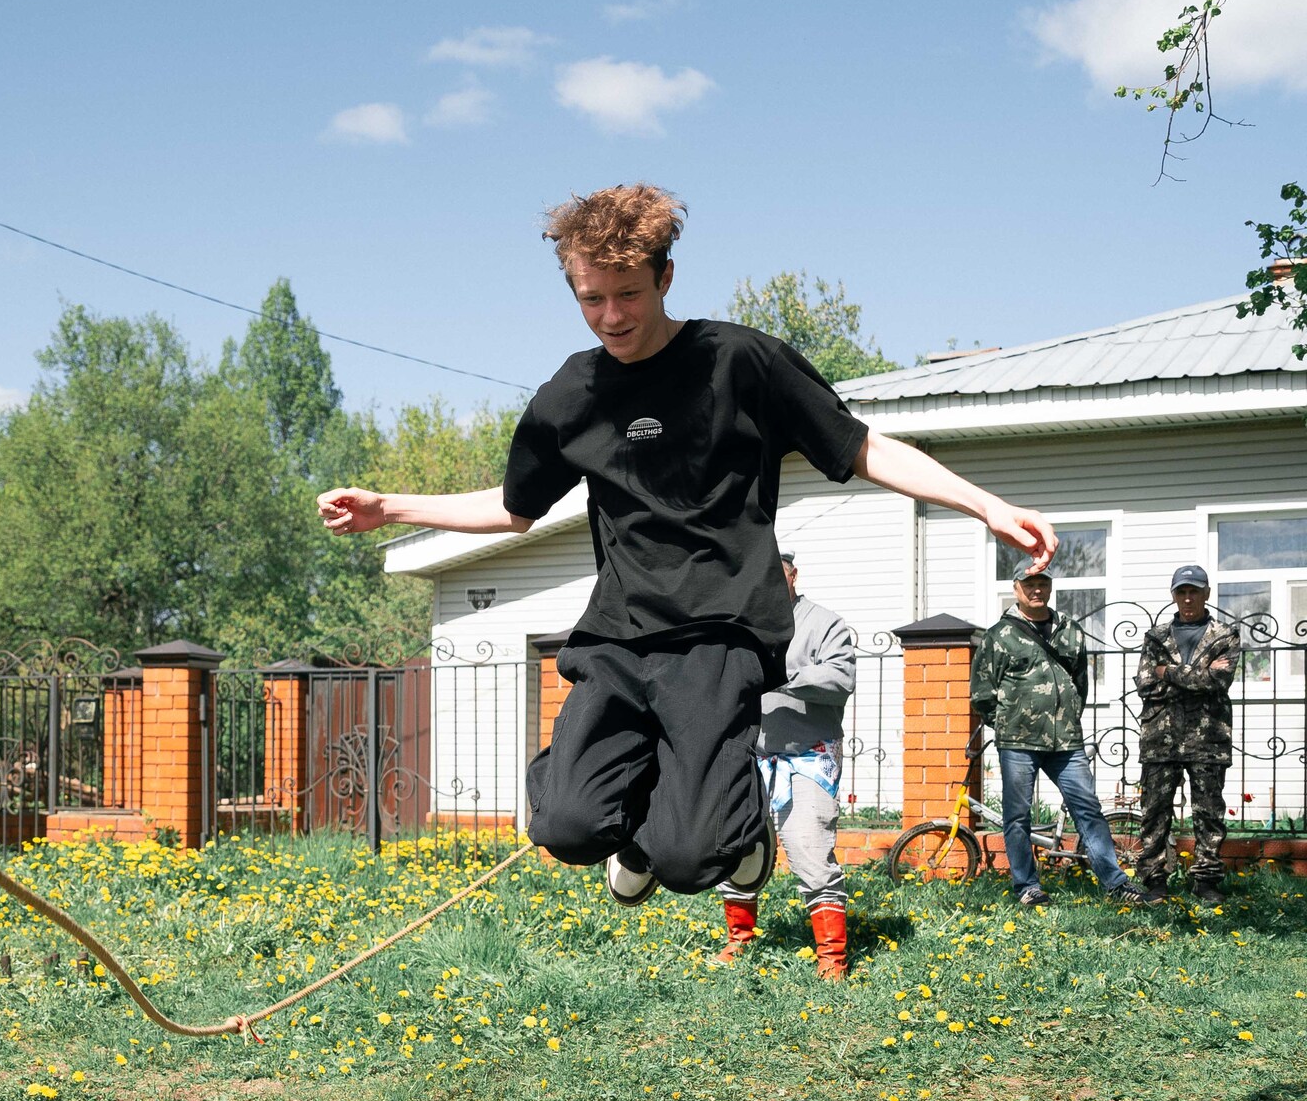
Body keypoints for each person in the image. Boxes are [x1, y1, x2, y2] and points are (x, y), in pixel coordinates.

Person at [319, 184, 1054, 908]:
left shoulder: (741, 362)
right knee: (568, 826)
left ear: (665, 276)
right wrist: (390, 507)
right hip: (618, 634)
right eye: (590, 299)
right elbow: (515, 509)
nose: (611, 316)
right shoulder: (570, 397)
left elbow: (862, 447)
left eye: (628, 294)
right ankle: (638, 838)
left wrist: (984, 503)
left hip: (721, 633)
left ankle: (739, 836)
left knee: (693, 859)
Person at [715, 551, 856, 976]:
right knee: (734, 847)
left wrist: (782, 677)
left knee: (809, 852)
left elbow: (841, 679)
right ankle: (739, 939)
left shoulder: (823, 623)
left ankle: (832, 957)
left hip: (807, 757)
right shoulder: (739, 627)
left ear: (794, 576)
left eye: (778, 576)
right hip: (749, 756)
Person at [970, 564, 1140, 908]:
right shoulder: (999, 636)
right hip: (1017, 742)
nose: (1037, 590)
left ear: (1050, 588)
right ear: (1016, 588)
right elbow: (982, 694)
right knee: (1017, 816)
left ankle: (1116, 883)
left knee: (1088, 810)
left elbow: (1081, 683)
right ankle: (1027, 887)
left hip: (1065, 741)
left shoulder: (1070, 631)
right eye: (1030, 584)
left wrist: (1066, 717)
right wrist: (1008, 722)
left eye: (1043, 583)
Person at [1131, 564, 1242, 907]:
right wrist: (1199, 674)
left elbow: (1218, 682)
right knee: (1155, 812)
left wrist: (1170, 672)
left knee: (1208, 813)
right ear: (1174, 596)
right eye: (1182, 592)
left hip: (1208, 738)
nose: (1188, 598)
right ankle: (1154, 880)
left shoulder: (1225, 635)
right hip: (1160, 738)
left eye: (1195, 591)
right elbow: (1146, 684)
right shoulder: (1156, 637)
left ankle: (1206, 881)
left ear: (1207, 593)